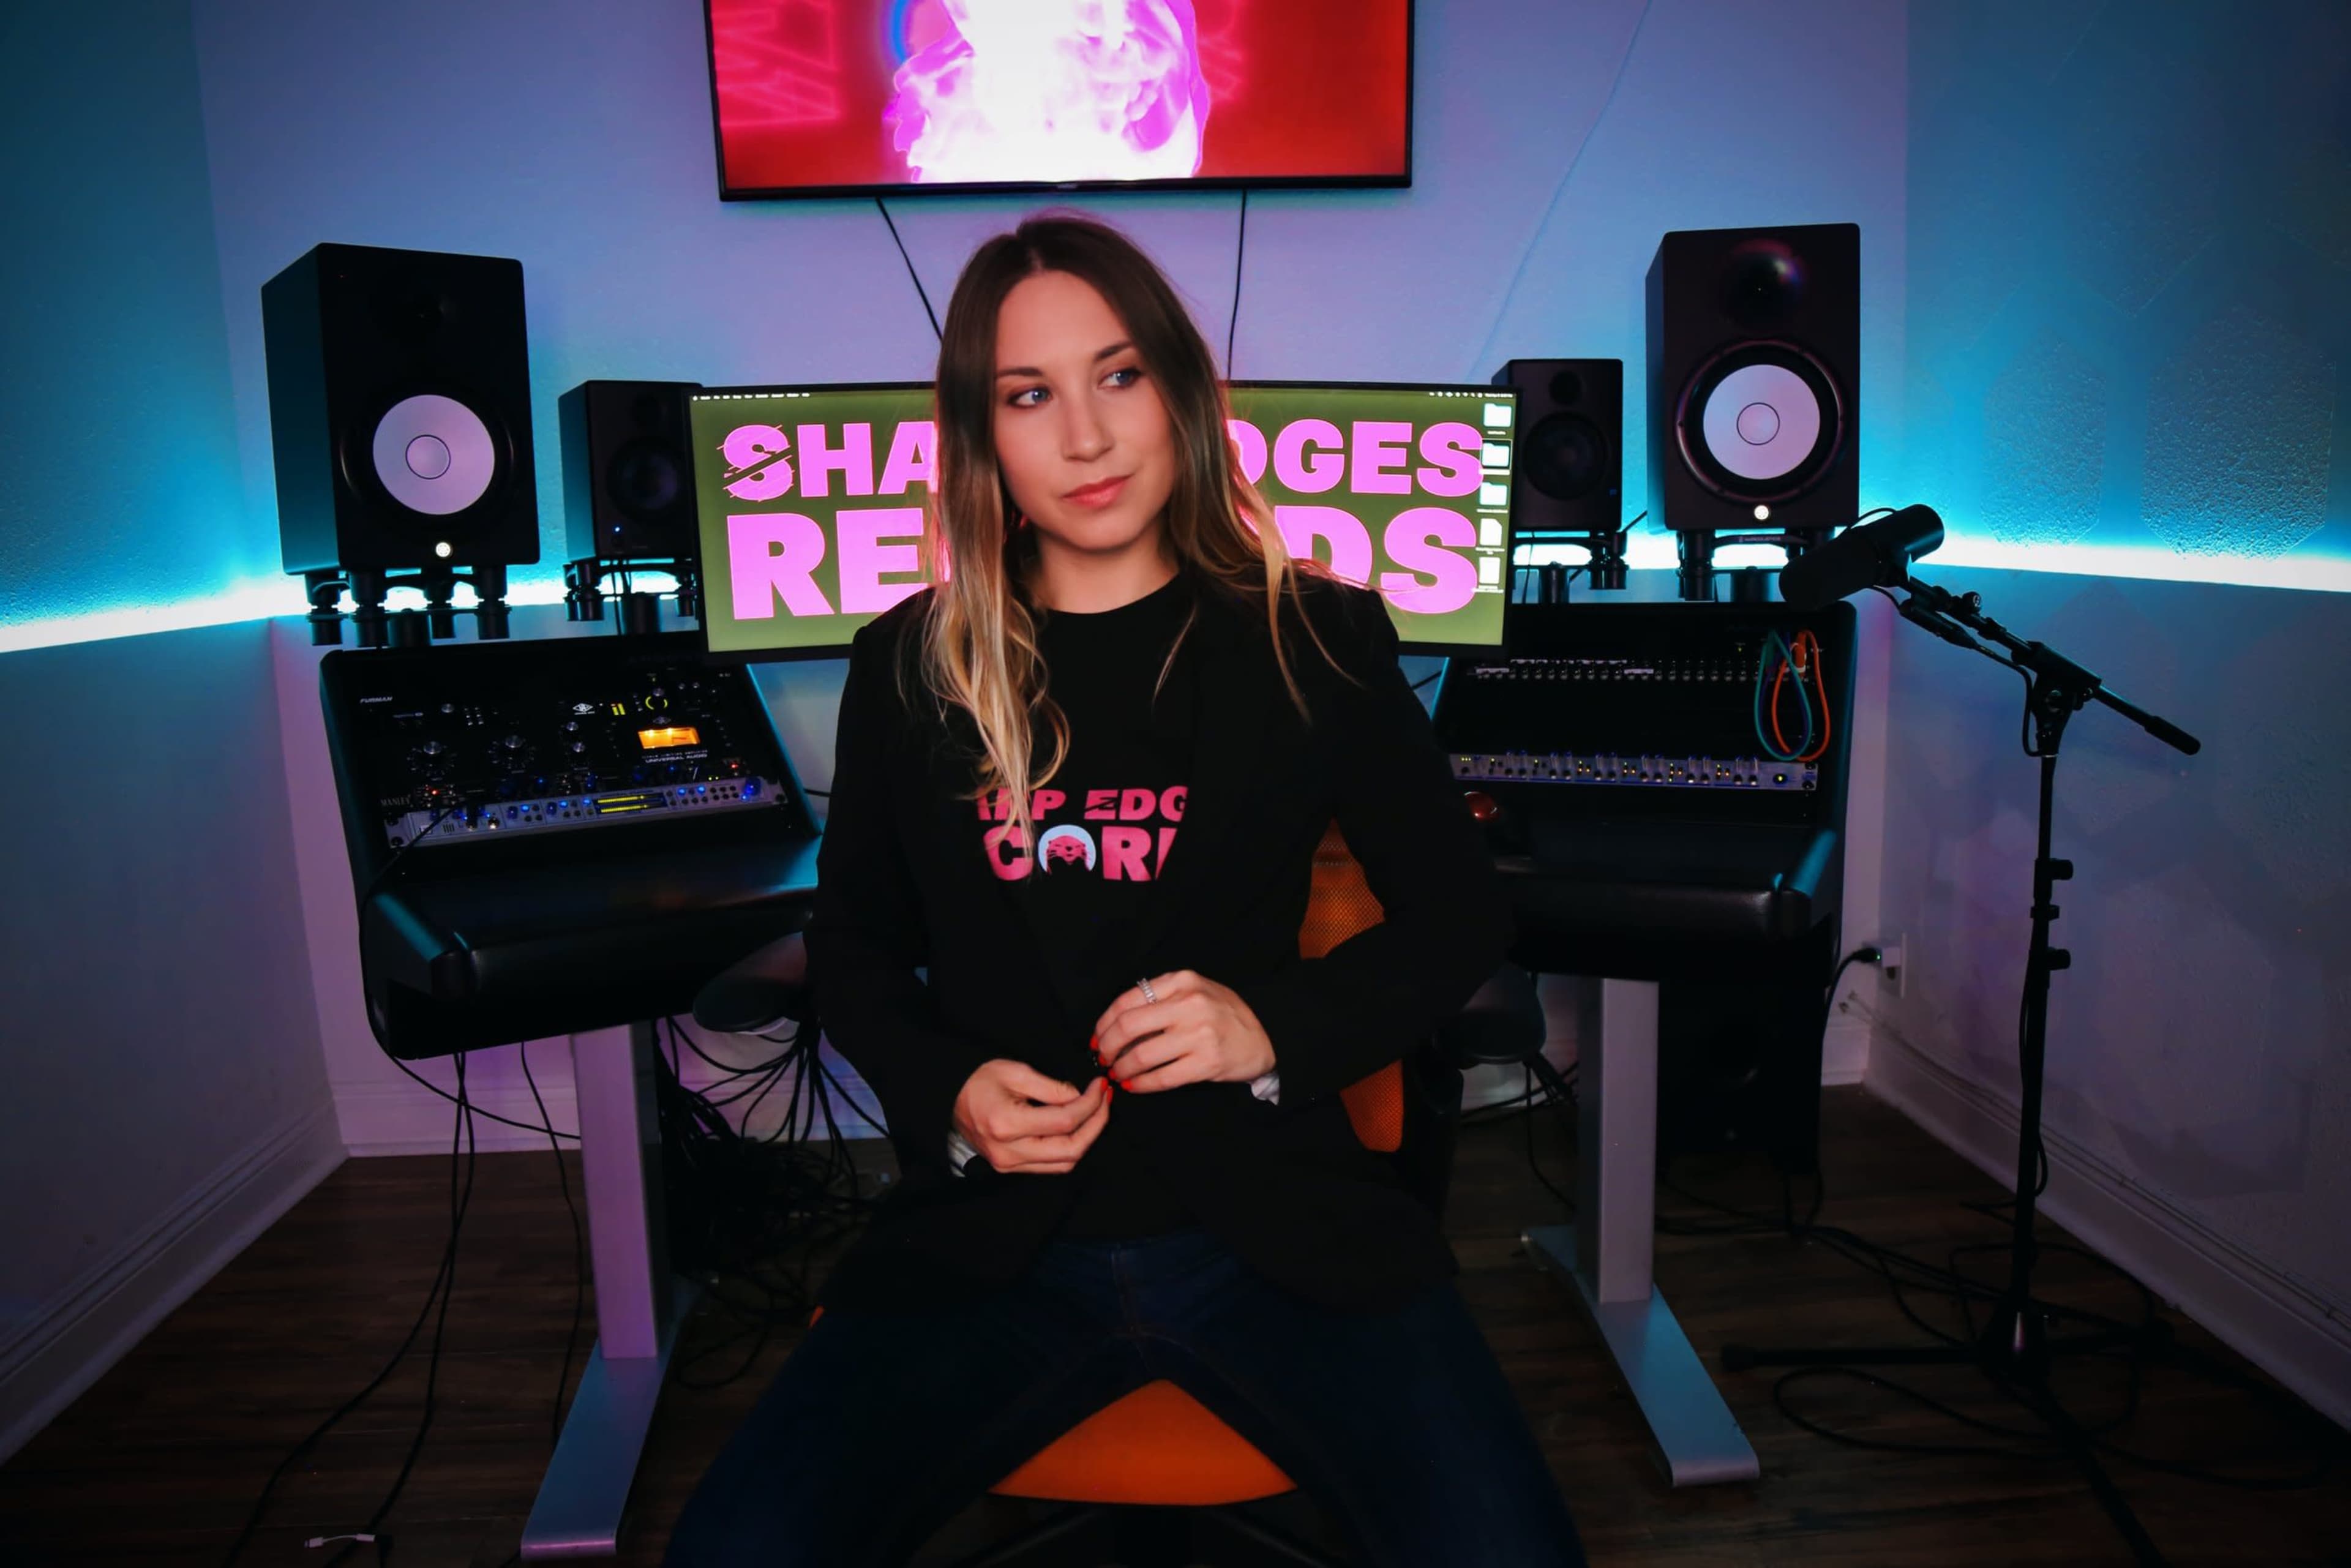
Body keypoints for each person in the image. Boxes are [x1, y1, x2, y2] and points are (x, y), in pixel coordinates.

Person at [664, 214, 1586, 1567]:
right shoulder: (909, 665)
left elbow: (1463, 917)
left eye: (1118, 377)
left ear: (1181, 390)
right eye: (1028, 397)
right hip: (992, 1246)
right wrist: (951, 1094)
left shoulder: (1314, 636)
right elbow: (853, 946)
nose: (1085, 440)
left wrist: (1278, 1027)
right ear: (982, 439)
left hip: (1276, 1229)